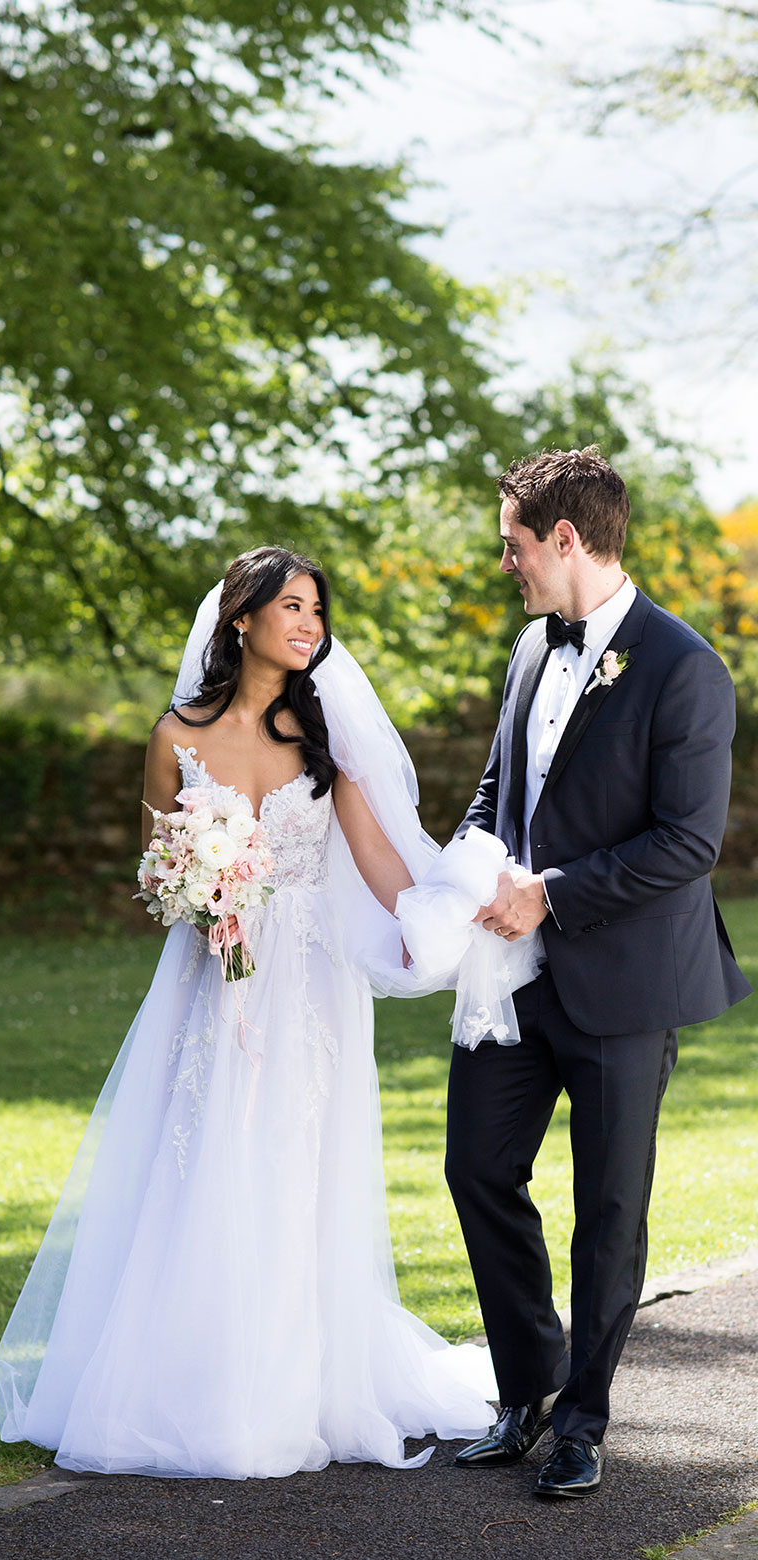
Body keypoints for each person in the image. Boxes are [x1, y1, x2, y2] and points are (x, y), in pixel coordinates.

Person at [0, 545, 502, 1480]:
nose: (309, 625)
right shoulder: (173, 736)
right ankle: (200, 1379)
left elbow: (385, 865)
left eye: (318, 611)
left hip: (311, 987)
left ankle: (303, 1379)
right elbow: (154, 868)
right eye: (293, 607)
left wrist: (445, 921)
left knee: (304, 1164)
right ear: (241, 618)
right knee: (206, 1157)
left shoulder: (323, 743)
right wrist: (203, 898)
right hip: (213, 982)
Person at [446, 447, 751, 1498]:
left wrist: (551, 891)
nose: (506, 564)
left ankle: (582, 1421)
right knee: (476, 1169)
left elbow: (685, 842)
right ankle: (526, 1389)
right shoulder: (529, 650)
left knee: (608, 1205)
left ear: (564, 540)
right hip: (514, 978)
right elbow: (496, 795)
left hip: (626, 983)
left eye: (512, 545)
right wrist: (464, 876)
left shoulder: (683, 666)